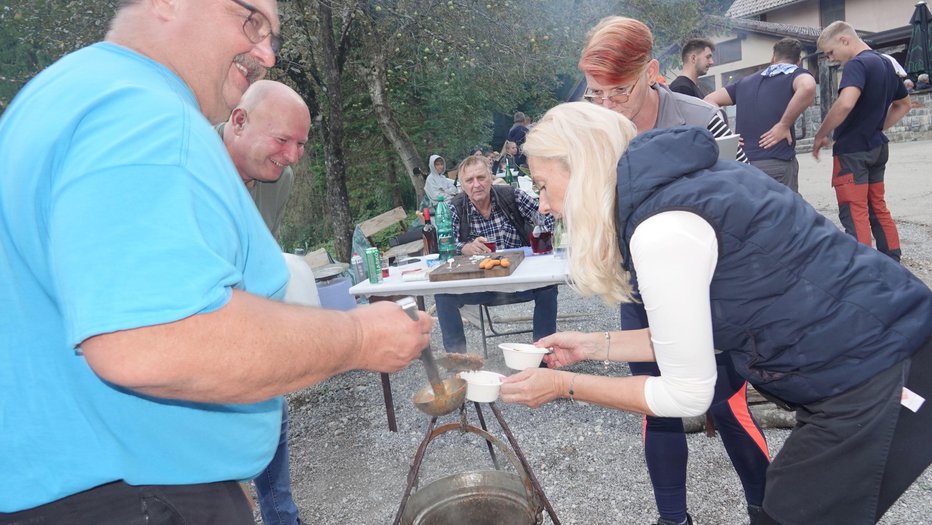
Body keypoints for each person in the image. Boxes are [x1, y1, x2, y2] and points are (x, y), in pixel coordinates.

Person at [0, 0, 432, 520]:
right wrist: (359, 337)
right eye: (251, 20)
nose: (266, 54)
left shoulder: (59, 94)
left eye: (271, 34)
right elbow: (151, 339)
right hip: (132, 493)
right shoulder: (144, 114)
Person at [505, 100, 932, 525]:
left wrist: (563, 385)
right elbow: (696, 334)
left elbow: (687, 394)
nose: (541, 204)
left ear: (581, 170)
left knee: (784, 513)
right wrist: (592, 345)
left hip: (883, 363)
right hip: (870, 352)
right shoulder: (689, 185)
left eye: (542, 184)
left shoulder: (661, 229)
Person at [574, 17, 765, 525]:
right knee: (655, 406)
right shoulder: (592, 130)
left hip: (712, 289)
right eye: (597, 94)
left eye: (620, 90)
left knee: (726, 404)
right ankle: (672, 518)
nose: (608, 105)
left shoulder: (702, 119)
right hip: (637, 289)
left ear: (653, 71)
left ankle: (768, 510)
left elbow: (748, 205)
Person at [220, 79, 311, 525]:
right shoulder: (189, 163)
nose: (292, 156)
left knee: (270, 415)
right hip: (196, 333)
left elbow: (261, 254)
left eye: (300, 144)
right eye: (282, 141)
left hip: (249, 329)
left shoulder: (280, 177)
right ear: (239, 121)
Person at [434, 155, 557, 355]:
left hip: (519, 279)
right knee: (443, 295)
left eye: (481, 178)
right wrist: (463, 248)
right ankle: (458, 360)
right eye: (469, 180)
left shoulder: (511, 196)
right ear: (462, 186)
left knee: (548, 287)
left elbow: (548, 215)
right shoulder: (454, 208)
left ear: (491, 178)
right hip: (478, 285)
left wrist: (542, 234)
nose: (476, 185)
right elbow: (443, 245)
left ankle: (542, 354)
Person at [812, 21, 912, 262]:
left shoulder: (857, 64)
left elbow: (845, 103)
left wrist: (821, 134)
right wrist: (877, 126)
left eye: (831, 52)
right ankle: (892, 262)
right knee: (878, 206)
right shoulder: (886, 63)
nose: (831, 59)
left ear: (844, 40)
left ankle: (864, 269)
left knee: (854, 210)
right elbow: (904, 104)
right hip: (878, 147)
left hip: (852, 151)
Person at [705, 38, 816, 192]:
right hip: (777, 161)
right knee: (783, 213)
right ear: (798, 61)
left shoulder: (745, 81)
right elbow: (808, 87)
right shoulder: (794, 74)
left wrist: (726, 134)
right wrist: (783, 124)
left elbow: (709, 100)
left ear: (773, 58)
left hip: (743, 163)